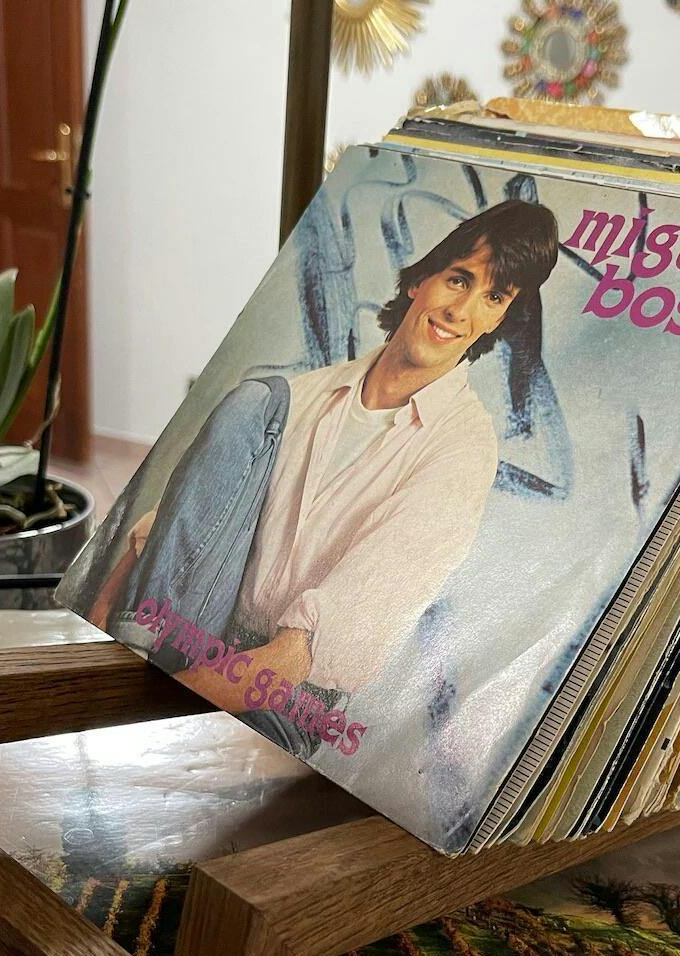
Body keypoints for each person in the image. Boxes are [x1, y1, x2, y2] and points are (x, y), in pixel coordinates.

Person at [87, 198, 559, 752]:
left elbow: (297, 657)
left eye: (494, 298)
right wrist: (103, 611)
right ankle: (138, 649)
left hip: (283, 698)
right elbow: (184, 524)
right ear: (421, 280)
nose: (461, 310)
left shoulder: (462, 449)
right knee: (252, 402)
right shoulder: (300, 396)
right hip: (184, 635)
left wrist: (145, 710)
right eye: (459, 280)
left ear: (499, 319)